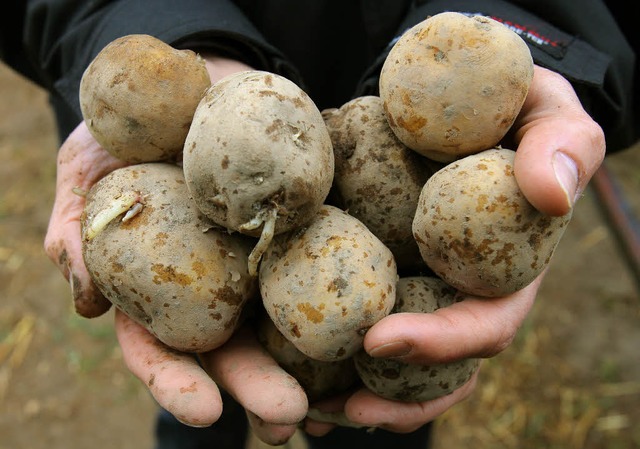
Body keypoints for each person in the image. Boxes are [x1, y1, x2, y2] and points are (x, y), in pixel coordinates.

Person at [1, 1, 637, 448]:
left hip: (383, 130)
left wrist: (526, 27)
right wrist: (149, 24)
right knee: (202, 399)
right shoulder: (180, 168)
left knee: (379, 391)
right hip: (203, 147)